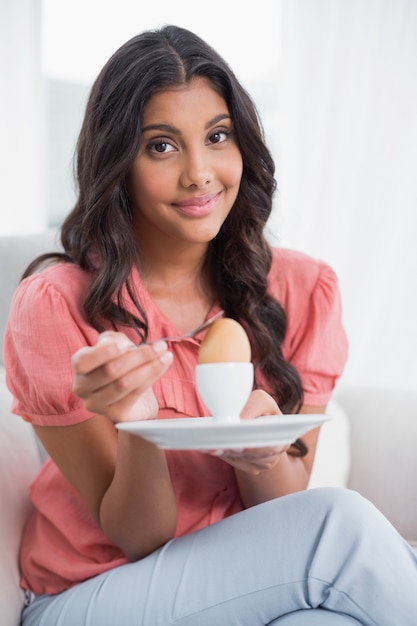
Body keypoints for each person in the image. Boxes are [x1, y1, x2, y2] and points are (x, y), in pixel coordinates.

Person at [3, 24, 417, 626]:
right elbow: (140, 537)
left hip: (243, 580)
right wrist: (138, 428)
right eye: (162, 146)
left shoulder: (302, 289)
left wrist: (263, 452)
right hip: (96, 592)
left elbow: (279, 507)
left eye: (217, 136)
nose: (200, 173)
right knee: (339, 526)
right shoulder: (54, 303)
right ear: (118, 162)